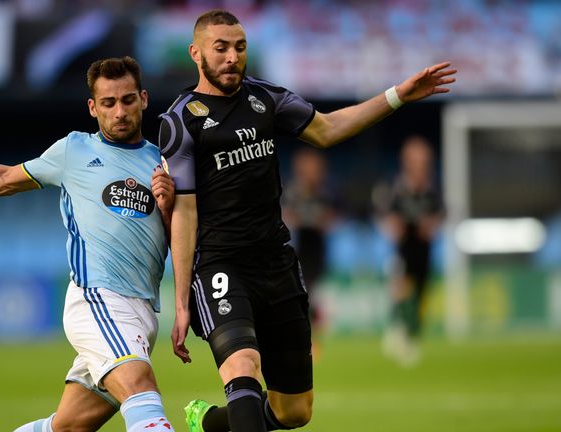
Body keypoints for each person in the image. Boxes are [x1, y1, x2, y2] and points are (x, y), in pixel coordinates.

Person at [158, 9, 456, 432]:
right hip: (220, 266)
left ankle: (208, 422)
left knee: (293, 412)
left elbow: (329, 129)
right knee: (243, 366)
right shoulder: (180, 120)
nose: (231, 57)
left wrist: (397, 96)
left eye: (240, 47)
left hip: (277, 263)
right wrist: (183, 301)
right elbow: (184, 212)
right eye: (220, 48)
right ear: (196, 53)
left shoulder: (266, 99)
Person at [0, 56, 176, 432]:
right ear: (93, 108)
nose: (119, 111)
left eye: (126, 100)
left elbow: (179, 237)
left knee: (68, 426)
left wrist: (170, 206)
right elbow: (3, 179)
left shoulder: (163, 162)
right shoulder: (73, 150)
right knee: (142, 395)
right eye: (108, 103)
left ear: (143, 99)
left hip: (141, 312)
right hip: (99, 299)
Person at [375, 135, 445, 367]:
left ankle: (411, 334)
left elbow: (441, 214)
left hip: (424, 249)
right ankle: (398, 333)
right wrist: (393, 225)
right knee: (402, 288)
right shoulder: (396, 186)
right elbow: (384, 214)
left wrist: (432, 224)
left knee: (421, 292)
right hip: (402, 248)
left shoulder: (432, 188)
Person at [281, 148, 338, 359]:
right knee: (301, 297)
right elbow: (287, 217)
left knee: (312, 297)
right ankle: (303, 340)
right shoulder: (292, 192)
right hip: (297, 251)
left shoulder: (325, 192)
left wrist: (316, 220)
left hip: (317, 252)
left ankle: (311, 340)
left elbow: (332, 218)